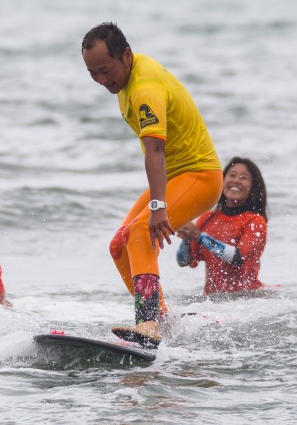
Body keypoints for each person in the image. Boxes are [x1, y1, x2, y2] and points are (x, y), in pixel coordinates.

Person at [81, 22, 223, 346]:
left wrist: (160, 207)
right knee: (119, 245)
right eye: (93, 74)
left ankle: (147, 324)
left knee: (142, 231)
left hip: (198, 175)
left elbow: (154, 150)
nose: (102, 81)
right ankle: (162, 320)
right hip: (176, 176)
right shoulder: (126, 77)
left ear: (127, 55)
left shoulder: (144, 87)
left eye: (106, 70)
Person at [176, 157, 268, 294]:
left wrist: (199, 236)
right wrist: (186, 240)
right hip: (213, 301)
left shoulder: (256, 221)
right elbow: (183, 261)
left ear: (253, 187)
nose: (236, 180)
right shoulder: (207, 218)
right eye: (231, 175)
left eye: (243, 177)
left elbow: (237, 258)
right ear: (222, 181)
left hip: (247, 299)